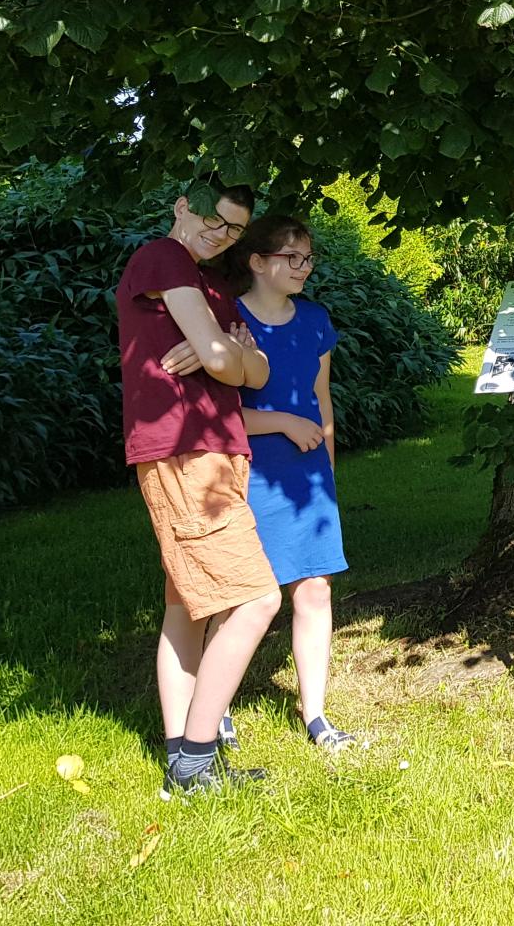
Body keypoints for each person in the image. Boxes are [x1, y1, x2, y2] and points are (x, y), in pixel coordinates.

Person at [117, 179, 282, 795]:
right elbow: (226, 360)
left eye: (235, 228)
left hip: (217, 449)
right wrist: (219, 353)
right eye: (214, 218)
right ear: (183, 206)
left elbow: (253, 369)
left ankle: (186, 755)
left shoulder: (212, 285)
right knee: (255, 599)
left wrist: (223, 354)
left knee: (186, 606)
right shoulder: (162, 258)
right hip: (184, 451)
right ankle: (194, 759)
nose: (221, 233)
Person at [225, 215, 357, 753]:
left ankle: (317, 718)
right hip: (246, 470)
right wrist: (280, 421)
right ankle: (218, 709)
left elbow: (320, 397)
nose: (304, 268)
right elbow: (216, 413)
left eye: (308, 259)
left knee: (314, 586)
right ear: (258, 263)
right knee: (238, 594)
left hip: (308, 476)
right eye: (292, 258)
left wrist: (327, 465)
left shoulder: (315, 320)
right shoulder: (228, 320)